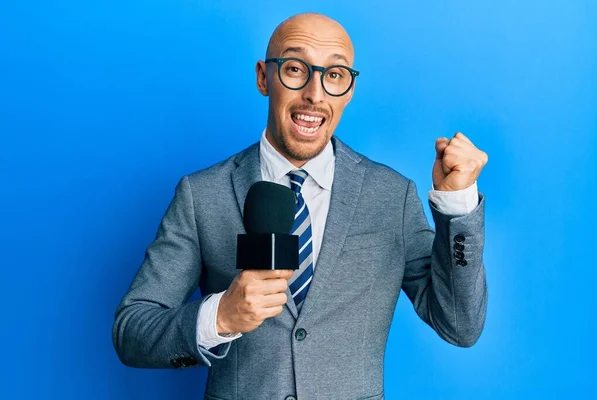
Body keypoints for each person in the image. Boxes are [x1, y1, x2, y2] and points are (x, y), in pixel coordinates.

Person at [112, 12, 488, 400]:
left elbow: (459, 324)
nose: (315, 94)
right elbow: (132, 331)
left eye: (335, 75)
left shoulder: (392, 195)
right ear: (263, 77)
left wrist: (456, 206)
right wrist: (220, 316)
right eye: (295, 69)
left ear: (349, 90)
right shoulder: (201, 194)